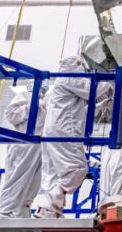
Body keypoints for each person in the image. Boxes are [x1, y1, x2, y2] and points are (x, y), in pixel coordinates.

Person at [31, 56, 91, 218]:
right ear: (72, 66)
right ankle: (48, 205)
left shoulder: (61, 82)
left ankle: (49, 212)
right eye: (79, 65)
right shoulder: (69, 77)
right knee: (77, 168)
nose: (81, 68)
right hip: (64, 131)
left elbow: (77, 111)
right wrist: (110, 82)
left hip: (54, 132)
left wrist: (100, 106)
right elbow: (90, 90)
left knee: (54, 173)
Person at [0, 84, 47, 218]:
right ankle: (5, 211)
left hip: (38, 147)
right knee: (17, 178)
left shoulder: (46, 103)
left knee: (33, 182)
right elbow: (10, 115)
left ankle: (22, 212)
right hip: (23, 147)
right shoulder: (24, 96)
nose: (45, 85)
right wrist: (31, 106)